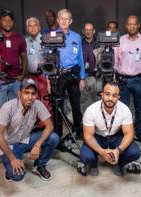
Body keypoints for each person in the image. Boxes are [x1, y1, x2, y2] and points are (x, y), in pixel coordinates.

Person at [0, 78, 59, 182]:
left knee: (54, 137)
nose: (30, 97)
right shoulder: (8, 107)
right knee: (18, 176)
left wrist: (37, 145)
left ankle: (39, 165)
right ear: (19, 93)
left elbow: (50, 126)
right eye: (26, 93)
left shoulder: (37, 104)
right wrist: (12, 159)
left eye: (33, 93)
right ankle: (10, 165)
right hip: (9, 146)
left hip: (26, 140)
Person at [78, 82, 141, 176]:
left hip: (116, 136)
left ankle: (119, 163)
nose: (110, 98)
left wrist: (118, 151)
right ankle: (93, 164)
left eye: (114, 95)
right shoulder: (91, 110)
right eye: (107, 94)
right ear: (102, 94)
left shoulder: (124, 109)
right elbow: (88, 136)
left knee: (135, 152)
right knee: (86, 156)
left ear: (118, 97)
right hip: (97, 136)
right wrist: (102, 152)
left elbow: (129, 134)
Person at [114, 15, 141, 142]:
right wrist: (114, 77)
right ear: (126, 25)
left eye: (134, 24)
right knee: (123, 108)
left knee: (139, 108)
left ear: (138, 25)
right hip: (123, 80)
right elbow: (115, 61)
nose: (132, 26)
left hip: (139, 79)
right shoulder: (119, 40)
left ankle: (138, 132)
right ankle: (123, 133)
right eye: (129, 24)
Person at [55, 8, 85, 138]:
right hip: (58, 75)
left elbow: (80, 58)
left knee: (76, 106)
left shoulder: (77, 37)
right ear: (58, 20)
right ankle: (57, 135)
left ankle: (78, 131)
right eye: (61, 18)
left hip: (73, 75)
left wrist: (82, 77)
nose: (64, 21)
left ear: (71, 21)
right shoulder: (52, 36)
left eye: (67, 18)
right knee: (58, 106)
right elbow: (47, 59)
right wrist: (47, 78)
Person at [0, 9, 27, 108]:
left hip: (16, 80)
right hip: (0, 80)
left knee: (17, 108)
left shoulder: (19, 38)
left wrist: (23, 74)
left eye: (10, 20)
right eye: (4, 20)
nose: (7, 23)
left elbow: (24, 57)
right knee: (1, 109)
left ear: (13, 22)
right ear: (0, 21)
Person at [25, 17, 49, 110]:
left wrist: (48, 81)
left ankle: (45, 123)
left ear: (39, 27)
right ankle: (34, 122)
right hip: (30, 76)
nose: (33, 28)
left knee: (45, 101)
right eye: (30, 26)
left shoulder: (45, 40)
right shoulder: (25, 42)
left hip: (43, 76)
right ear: (27, 29)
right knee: (32, 100)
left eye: (35, 25)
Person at [80, 22, 101, 112]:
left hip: (97, 77)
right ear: (83, 31)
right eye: (86, 30)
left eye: (90, 30)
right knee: (82, 101)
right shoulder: (79, 44)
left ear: (94, 31)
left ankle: (97, 122)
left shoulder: (100, 43)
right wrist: (80, 78)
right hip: (83, 77)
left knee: (98, 101)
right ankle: (83, 122)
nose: (88, 32)